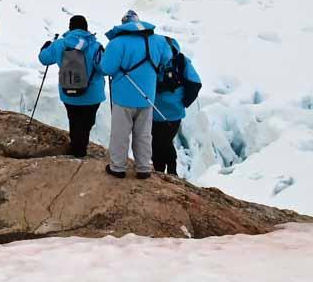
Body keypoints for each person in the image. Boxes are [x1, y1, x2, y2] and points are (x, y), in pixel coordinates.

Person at [99, 9, 174, 179]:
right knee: (144, 134)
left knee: (120, 133)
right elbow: (167, 57)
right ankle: (143, 168)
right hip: (147, 96)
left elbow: (106, 68)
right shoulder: (158, 41)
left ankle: (118, 167)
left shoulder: (117, 43)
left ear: (124, 24)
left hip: (123, 98)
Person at [37, 14, 104, 158]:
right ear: (86, 28)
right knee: (86, 123)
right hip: (92, 95)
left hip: (68, 92)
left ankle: (76, 147)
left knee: (74, 120)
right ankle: (81, 147)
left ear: (70, 27)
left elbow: (44, 59)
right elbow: (103, 69)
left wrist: (45, 47)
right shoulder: (95, 45)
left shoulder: (60, 44)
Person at [150, 36, 202, 175]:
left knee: (158, 143)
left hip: (155, 111)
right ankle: (169, 172)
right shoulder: (181, 61)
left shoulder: (155, 60)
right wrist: (183, 103)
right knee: (164, 142)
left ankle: (162, 171)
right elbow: (195, 83)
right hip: (171, 113)